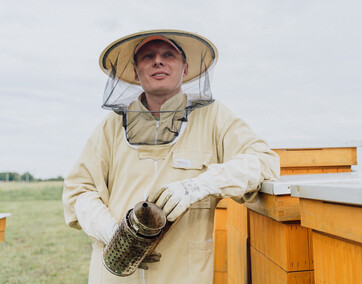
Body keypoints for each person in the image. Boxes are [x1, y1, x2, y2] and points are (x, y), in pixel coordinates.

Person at [62, 29, 280, 284]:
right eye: (147, 56)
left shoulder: (214, 117)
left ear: (185, 69)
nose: (158, 61)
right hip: (115, 275)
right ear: (135, 71)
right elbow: (78, 191)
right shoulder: (110, 126)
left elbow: (263, 162)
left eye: (168, 54)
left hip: (184, 274)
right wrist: (111, 231)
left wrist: (200, 185)